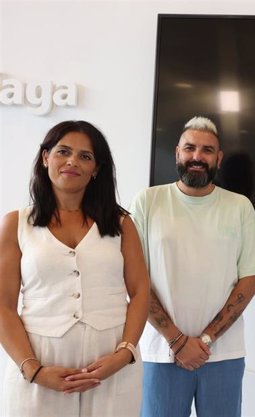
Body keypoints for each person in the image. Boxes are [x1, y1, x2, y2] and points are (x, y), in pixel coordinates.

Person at [0, 121, 150, 416]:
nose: (72, 162)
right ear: (45, 158)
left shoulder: (121, 224)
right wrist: (33, 370)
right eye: (63, 152)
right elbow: (3, 305)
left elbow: (141, 290)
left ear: (96, 169)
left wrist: (124, 353)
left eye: (85, 156)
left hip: (111, 361)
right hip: (39, 360)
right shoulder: (16, 223)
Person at [130, 116, 255, 417]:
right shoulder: (148, 202)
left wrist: (203, 341)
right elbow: (135, 280)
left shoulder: (240, 207)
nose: (197, 157)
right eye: (190, 148)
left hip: (222, 354)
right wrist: (177, 341)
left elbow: (249, 282)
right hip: (159, 352)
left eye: (206, 150)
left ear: (218, 158)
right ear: (178, 153)